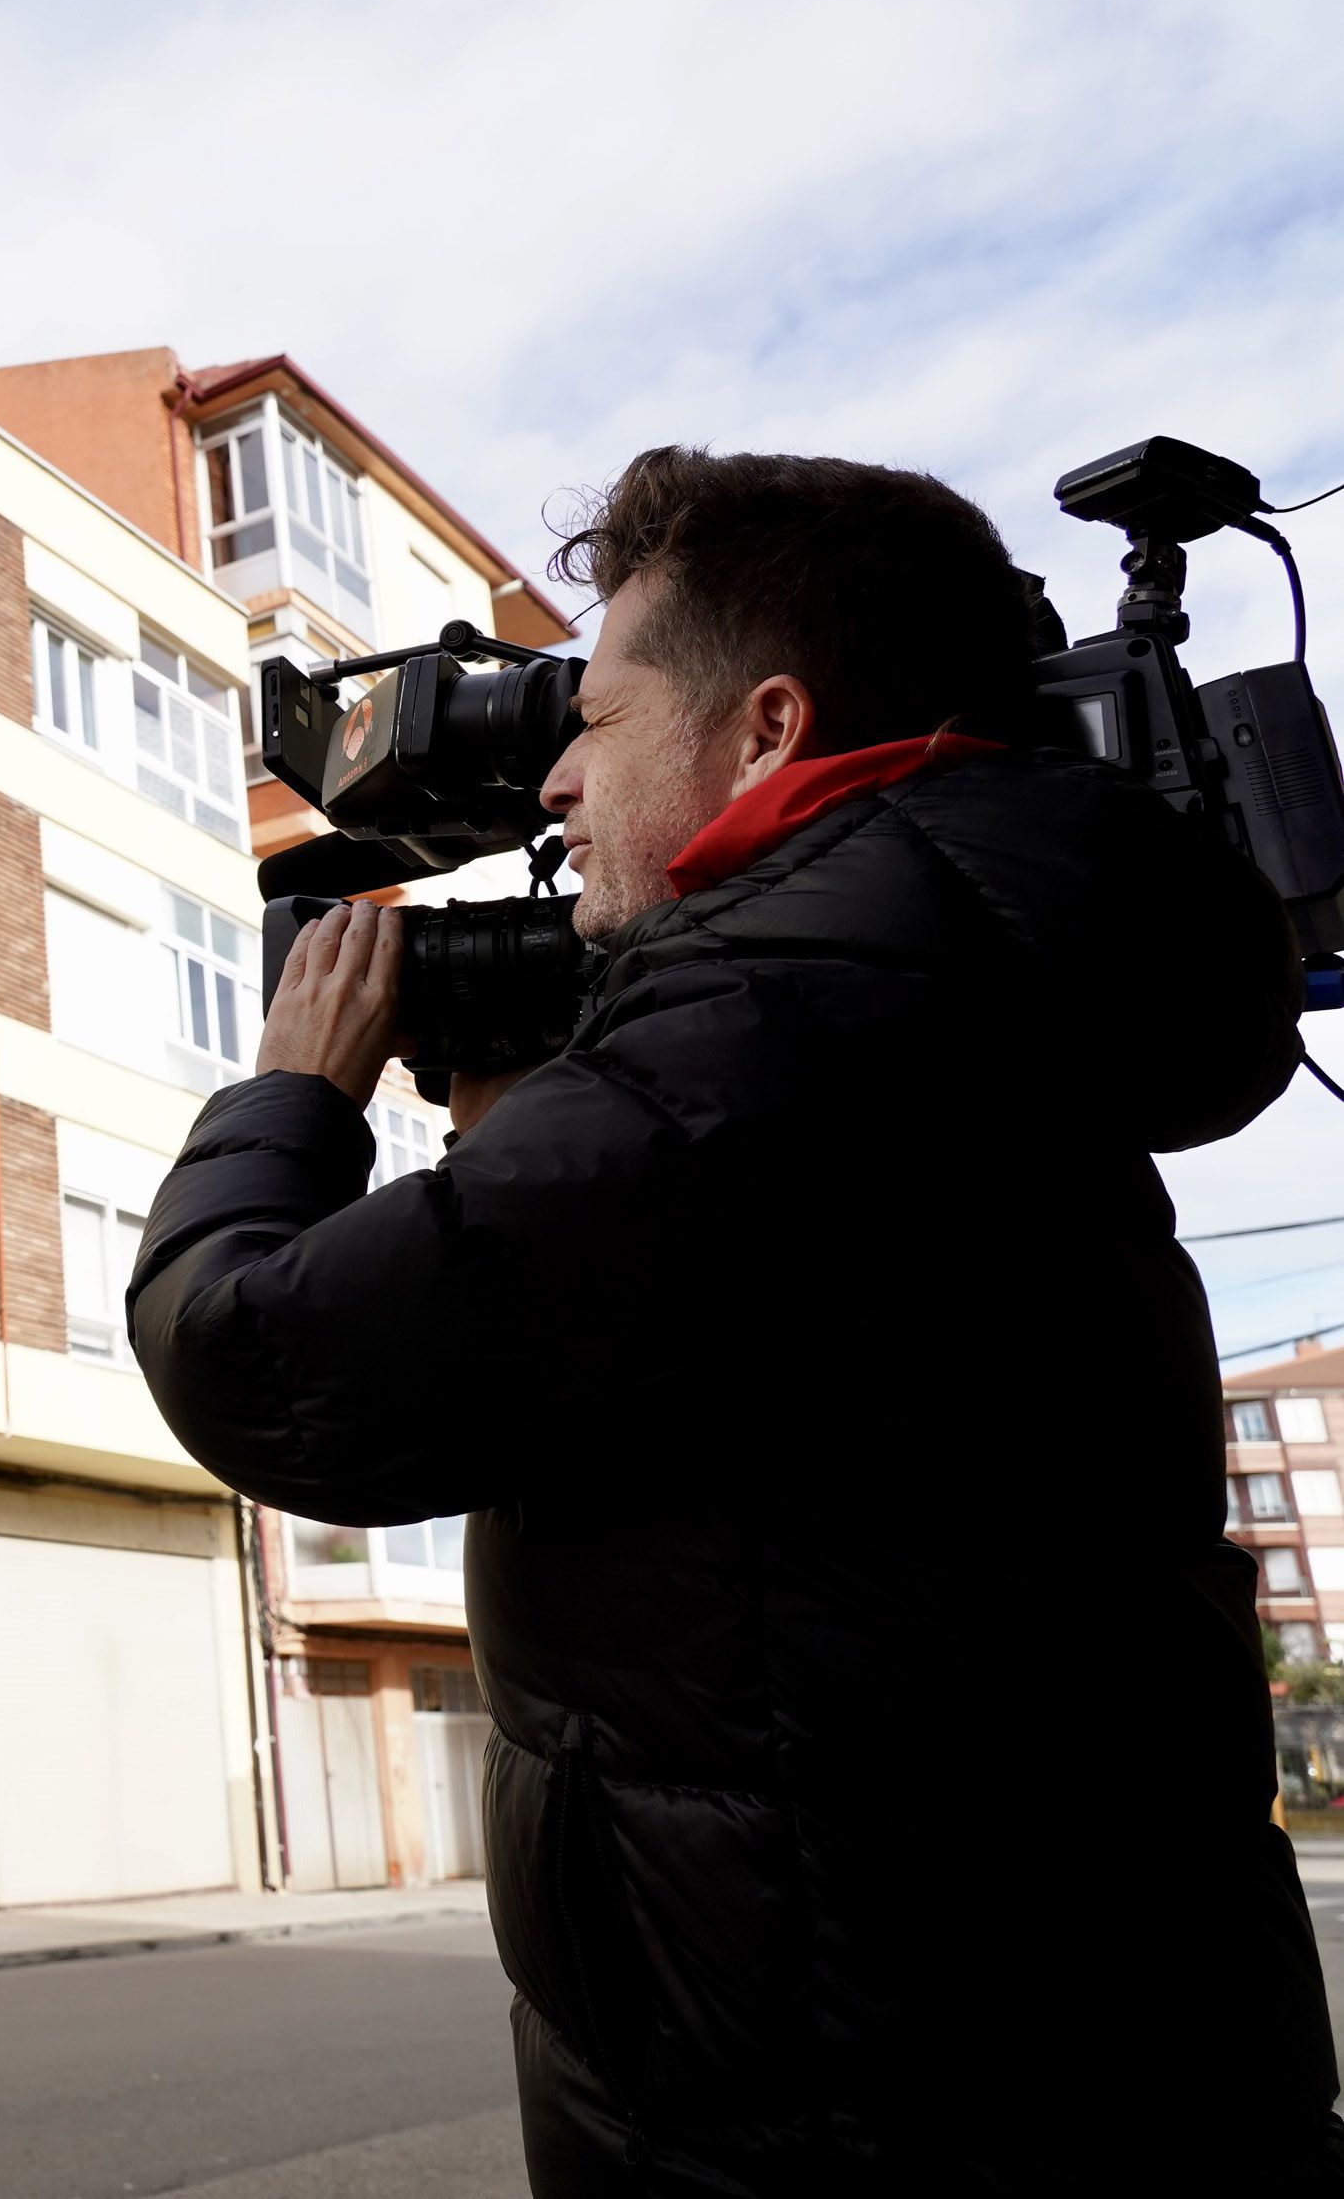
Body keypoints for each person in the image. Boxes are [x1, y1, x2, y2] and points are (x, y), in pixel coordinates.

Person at [127, 448, 1337, 2194]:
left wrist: (296, 1096)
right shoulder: (966, 984)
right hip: (1079, 2066)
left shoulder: (785, 1022)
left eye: (596, 721)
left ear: (767, 728)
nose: (552, 778)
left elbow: (260, 1362)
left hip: (847, 2114)